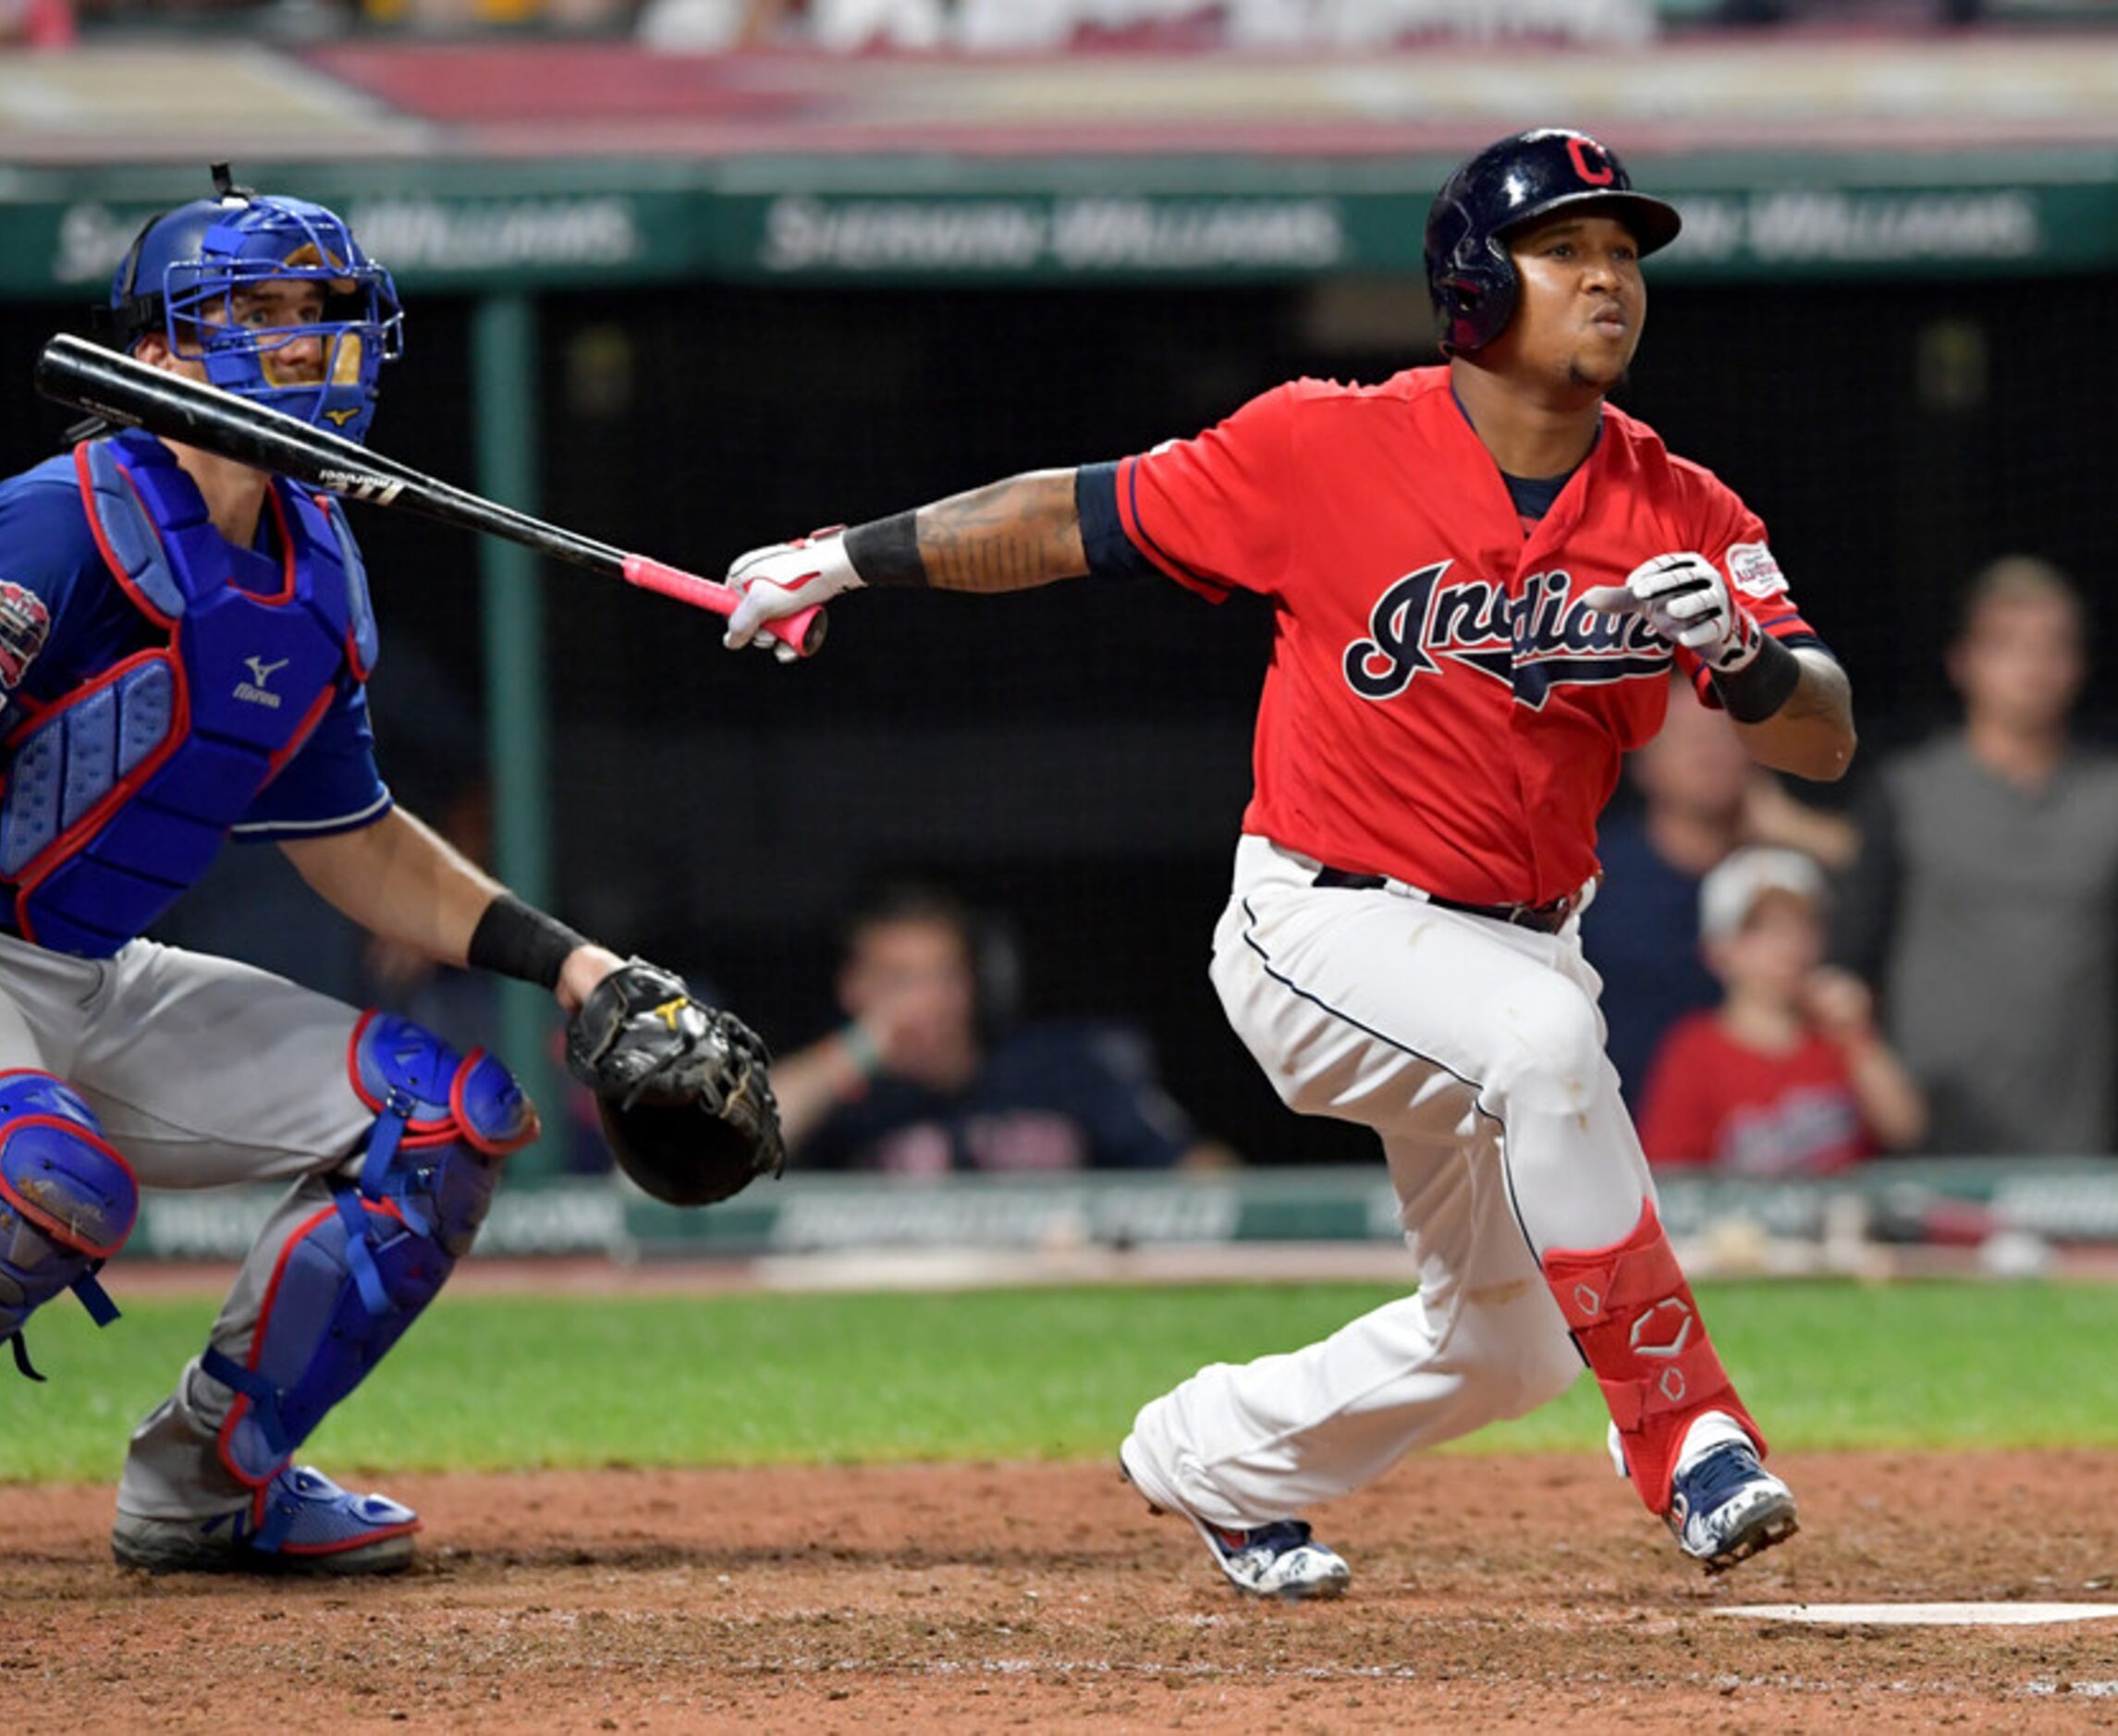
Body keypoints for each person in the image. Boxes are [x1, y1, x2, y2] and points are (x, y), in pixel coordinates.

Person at [721, 128, 1856, 1596]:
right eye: (1566, 250)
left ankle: (1219, 1453)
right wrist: (841, 557)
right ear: (1470, 281)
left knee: (1504, 1345)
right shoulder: (1327, 443)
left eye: (1625, 256)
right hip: (1319, 929)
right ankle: (1693, 1432)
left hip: (1520, 943)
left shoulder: (1681, 505)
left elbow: (1821, 733)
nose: (1608, 280)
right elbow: (1067, 517)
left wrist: (1746, 656)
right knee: (1551, 1046)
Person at [0, 172, 650, 1573]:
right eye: (256, 312)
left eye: (322, 313)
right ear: (160, 353)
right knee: (40, 1184)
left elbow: (354, 838)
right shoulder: (62, 522)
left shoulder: (314, 562)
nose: (301, 344)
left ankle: (208, 1486)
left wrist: (579, 965)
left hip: (98, 970)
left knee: (441, 1117)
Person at [1831, 556, 2118, 1161]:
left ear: (2078, 665)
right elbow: (1845, 972)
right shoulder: (1906, 790)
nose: (2033, 667)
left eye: (2052, 646)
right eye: (2009, 646)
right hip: (1924, 1141)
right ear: (1964, 663)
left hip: (2078, 1139)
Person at [768, 883, 1230, 1173]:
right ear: (854, 989)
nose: (926, 1001)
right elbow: (729, 1145)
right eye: (900, 980)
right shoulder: (844, 1098)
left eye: (944, 977)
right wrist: (858, 1051)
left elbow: (1204, 1171)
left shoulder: (1064, 1068)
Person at [1584, 671, 1855, 1104]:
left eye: (1723, 734)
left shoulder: (1785, 872)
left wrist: (1792, 826)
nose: (1706, 753)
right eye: (1682, 736)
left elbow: (1899, 879)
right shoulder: (1591, 875)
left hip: (1772, 1144)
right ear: (1641, 761)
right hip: (1625, 1137)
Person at [1636, 848, 1923, 1173]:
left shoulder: (1836, 1035)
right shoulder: (1695, 1049)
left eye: (1802, 928)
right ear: (1717, 951)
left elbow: (1905, 1129)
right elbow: (1670, 1175)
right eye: (1760, 930)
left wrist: (1858, 1037)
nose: (1787, 948)